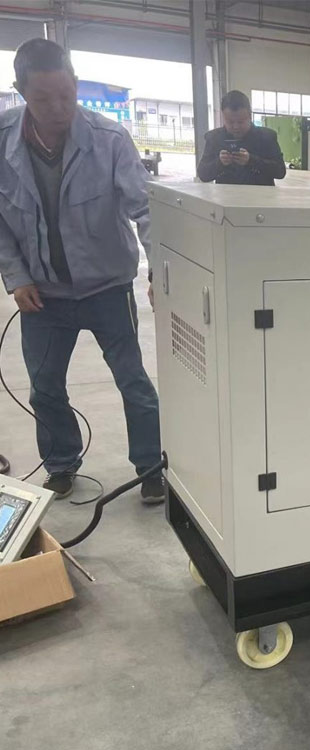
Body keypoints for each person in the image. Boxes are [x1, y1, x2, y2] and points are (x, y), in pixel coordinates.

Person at [0, 39, 163, 503]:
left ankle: (151, 467)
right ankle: (61, 464)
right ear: (21, 92)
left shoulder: (109, 139)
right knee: (45, 386)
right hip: (43, 294)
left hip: (108, 287)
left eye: (66, 95)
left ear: (75, 84)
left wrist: (161, 273)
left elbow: (145, 209)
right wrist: (16, 276)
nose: (58, 108)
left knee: (133, 381)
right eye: (43, 99)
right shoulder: (3, 139)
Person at [198, 90, 286, 186]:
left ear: (250, 116)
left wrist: (251, 160)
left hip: (261, 194)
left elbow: (280, 172)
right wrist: (220, 162)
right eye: (230, 122)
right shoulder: (214, 138)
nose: (236, 127)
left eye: (240, 122)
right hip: (226, 195)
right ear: (223, 116)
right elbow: (203, 175)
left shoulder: (267, 137)